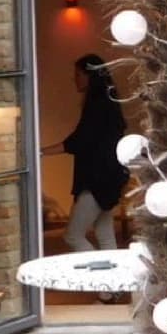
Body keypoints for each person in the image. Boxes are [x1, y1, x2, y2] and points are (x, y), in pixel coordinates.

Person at [43, 54, 129, 252]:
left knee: (73, 235)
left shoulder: (98, 106)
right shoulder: (109, 103)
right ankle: (113, 271)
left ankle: (97, 272)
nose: (75, 79)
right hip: (109, 178)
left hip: (96, 181)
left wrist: (41, 152)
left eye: (78, 75)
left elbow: (79, 141)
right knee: (105, 233)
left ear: (90, 76)